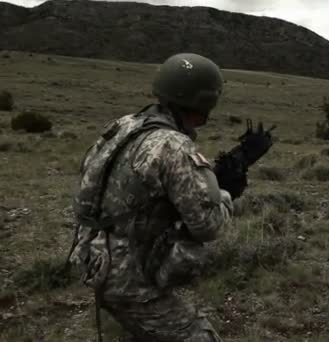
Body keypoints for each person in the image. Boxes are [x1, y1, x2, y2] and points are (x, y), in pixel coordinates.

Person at [69, 53, 233, 342]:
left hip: (93, 255)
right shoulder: (173, 145)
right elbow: (208, 226)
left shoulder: (124, 125)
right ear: (203, 104)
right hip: (127, 277)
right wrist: (225, 197)